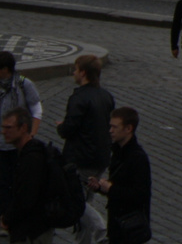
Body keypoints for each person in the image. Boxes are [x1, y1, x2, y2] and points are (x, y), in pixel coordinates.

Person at [57, 54, 114, 244]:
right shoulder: (106, 96)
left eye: (75, 69)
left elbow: (68, 129)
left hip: (80, 158)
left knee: (76, 202)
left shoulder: (79, 98)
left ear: (83, 72)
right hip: (101, 157)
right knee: (85, 200)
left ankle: (101, 229)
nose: (73, 73)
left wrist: (61, 126)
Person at [88, 106, 151, 244]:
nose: (110, 131)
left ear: (128, 129)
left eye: (115, 127)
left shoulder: (137, 158)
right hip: (118, 225)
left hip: (130, 228)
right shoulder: (118, 152)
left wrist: (110, 189)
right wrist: (100, 187)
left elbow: (140, 195)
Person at [0, 51, 43, 216]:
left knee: (18, 180)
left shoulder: (24, 85)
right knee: (2, 182)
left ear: (6, 69)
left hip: (18, 144)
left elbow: (36, 109)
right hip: (1, 143)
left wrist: (32, 134)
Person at [0, 108, 49, 244]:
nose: (4, 132)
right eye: (3, 127)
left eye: (9, 127)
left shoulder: (32, 158)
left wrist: (6, 219)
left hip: (34, 231)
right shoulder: (27, 153)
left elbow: (26, 198)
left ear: (23, 128)